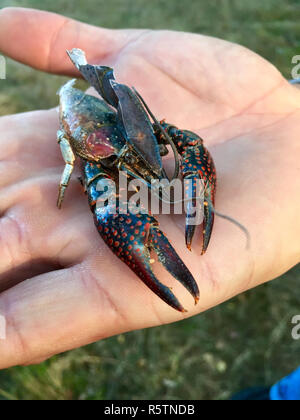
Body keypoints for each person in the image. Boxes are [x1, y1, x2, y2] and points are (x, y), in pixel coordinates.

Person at [0, 7, 299, 397]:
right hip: (84, 128)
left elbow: (187, 142)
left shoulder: (144, 136)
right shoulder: (94, 162)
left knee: (185, 142)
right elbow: (97, 190)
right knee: (106, 202)